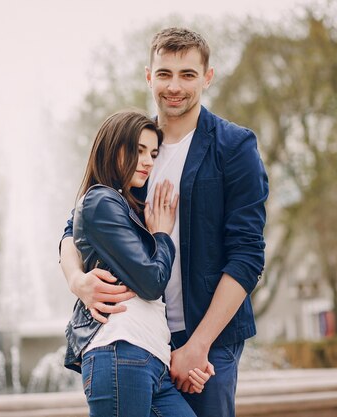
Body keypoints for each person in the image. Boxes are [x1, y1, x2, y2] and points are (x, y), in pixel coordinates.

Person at [60, 28, 268, 417]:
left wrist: (198, 345)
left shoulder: (234, 147)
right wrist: (77, 280)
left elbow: (247, 256)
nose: (175, 86)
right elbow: (75, 226)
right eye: (164, 74)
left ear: (207, 77)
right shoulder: (133, 144)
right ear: (148, 76)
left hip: (210, 342)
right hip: (134, 337)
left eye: (187, 74)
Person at [64, 110, 212, 417]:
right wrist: (161, 234)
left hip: (151, 358)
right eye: (138, 150)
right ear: (112, 147)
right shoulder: (101, 200)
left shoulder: (122, 203)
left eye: (153, 153)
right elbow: (151, 281)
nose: (147, 161)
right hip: (121, 350)